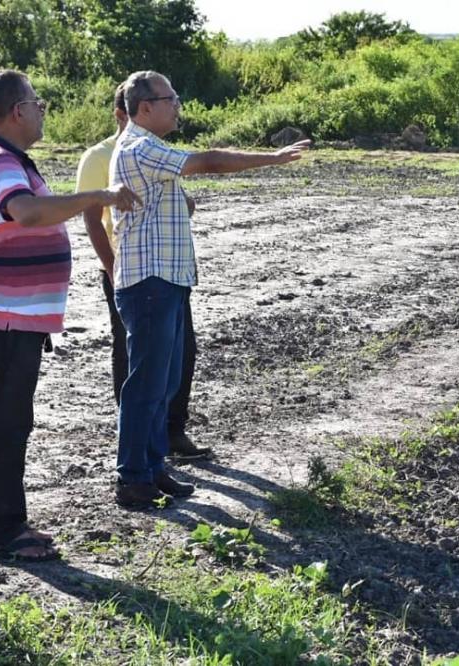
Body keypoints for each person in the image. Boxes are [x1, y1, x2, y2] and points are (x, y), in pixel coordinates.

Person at [109, 70, 310, 510]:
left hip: (166, 279)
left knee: (163, 383)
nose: (177, 105)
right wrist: (272, 159)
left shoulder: (149, 147)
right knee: (147, 385)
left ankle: (152, 467)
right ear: (145, 108)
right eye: (171, 98)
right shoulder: (141, 146)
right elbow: (208, 161)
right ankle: (132, 477)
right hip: (149, 282)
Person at [0, 69, 139, 560]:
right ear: (17, 111)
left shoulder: (7, 158)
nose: (42, 111)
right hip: (7, 318)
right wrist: (97, 197)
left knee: (1, 422)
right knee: (7, 425)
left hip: (12, 317)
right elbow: (27, 212)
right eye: (37, 103)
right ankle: (4, 531)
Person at [75, 84, 210, 461]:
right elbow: (92, 219)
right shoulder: (100, 156)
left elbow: (179, 204)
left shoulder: (155, 150)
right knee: (133, 357)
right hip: (129, 272)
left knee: (180, 353)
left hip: (166, 272)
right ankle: (135, 445)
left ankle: (170, 432)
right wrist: (111, 268)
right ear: (123, 114)